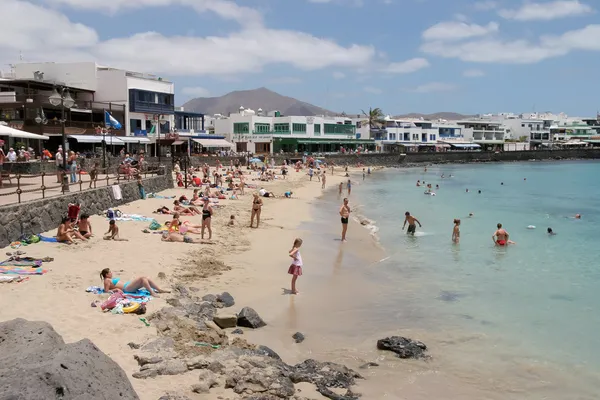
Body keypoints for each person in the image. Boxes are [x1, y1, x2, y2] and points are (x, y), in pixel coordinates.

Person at [100, 268, 169, 297]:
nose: (111, 273)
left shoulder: (109, 279)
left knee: (146, 278)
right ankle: (152, 293)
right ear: (106, 275)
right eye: (110, 272)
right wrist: (115, 290)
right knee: (142, 278)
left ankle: (159, 290)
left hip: (127, 285)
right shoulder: (107, 280)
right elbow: (106, 291)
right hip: (126, 289)